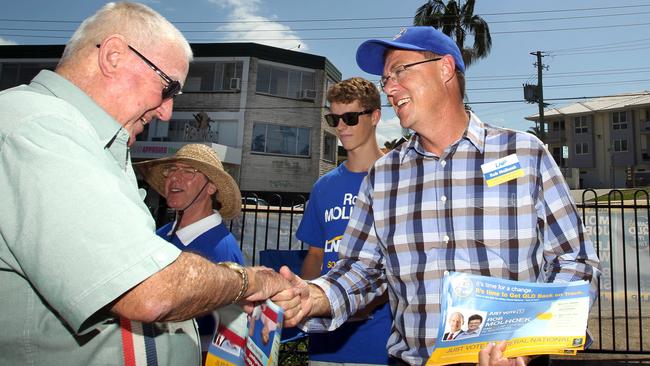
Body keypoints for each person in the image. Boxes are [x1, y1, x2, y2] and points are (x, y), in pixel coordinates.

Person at [275, 26, 600, 366]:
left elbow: (575, 263)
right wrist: (313, 296)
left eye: (399, 70)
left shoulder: (524, 154)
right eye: (385, 78)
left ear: (445, 68)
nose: (389, 88)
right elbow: (361, 270)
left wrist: (527, 342)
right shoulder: (383, 177)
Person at [0, 3, 290, 365]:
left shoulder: (84, 141)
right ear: (114, 56)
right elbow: (147, 292)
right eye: (168, 87)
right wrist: (248, 282)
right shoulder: (40, 128)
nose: (166, 111)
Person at [296, 77, 392, 365]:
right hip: (325, 344)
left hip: (380, 342)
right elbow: (315, 255)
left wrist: (362, 303)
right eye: (334, 118)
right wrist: (306, 299)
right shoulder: (323, 186)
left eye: (350, 118)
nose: (340, 127)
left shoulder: (399, 179)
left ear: (375, 116)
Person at [135, 143, 246, 351]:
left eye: (188, 171)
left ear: (211, 187)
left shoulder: (221, 251)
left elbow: (224, 337)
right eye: (171, 170)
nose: (174, 178)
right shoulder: (158, 234)